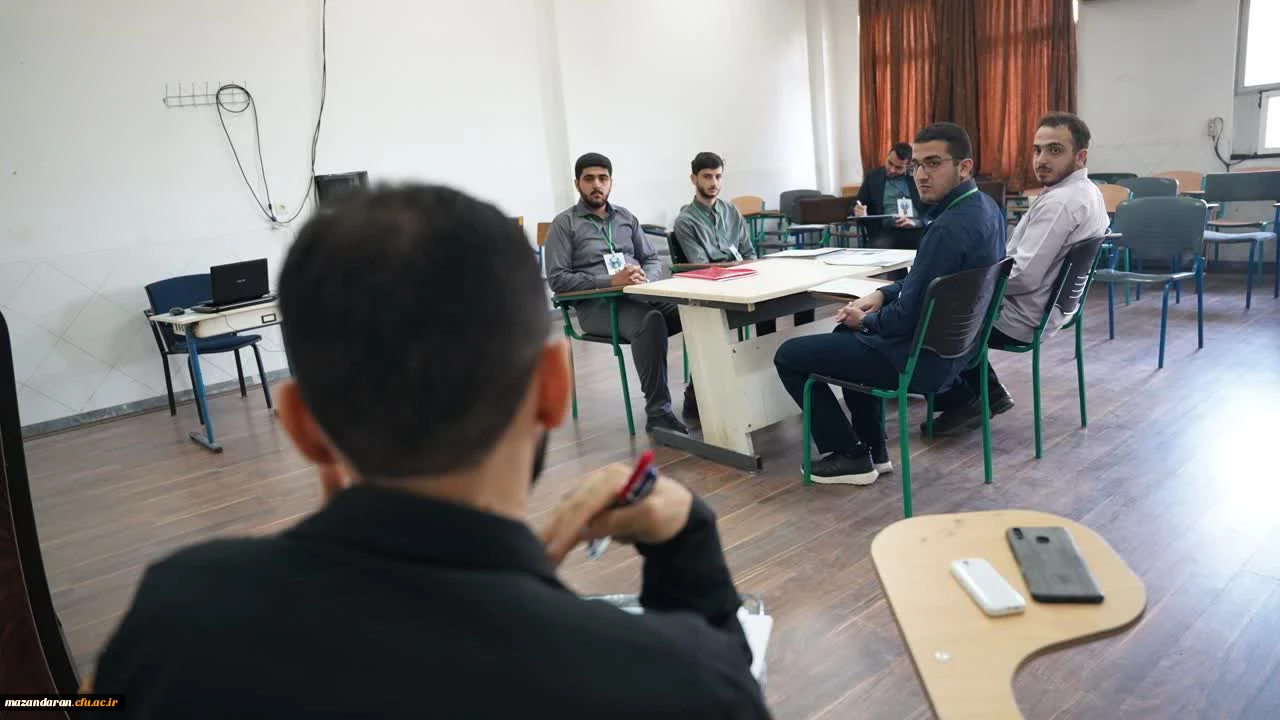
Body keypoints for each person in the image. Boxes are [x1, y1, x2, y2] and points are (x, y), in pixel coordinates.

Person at [85, 184, 771, 719]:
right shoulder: (673, 679)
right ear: (552, 388)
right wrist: (686, 538)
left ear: (298, 423)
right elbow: (727, 689)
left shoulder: (177, 613)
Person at [774, 123, 1006, 485]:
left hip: (922, 362)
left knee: (789, 355)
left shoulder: (946, 228)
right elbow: (929, 284)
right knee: (843, 336)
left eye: (933, 163)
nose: (921, 175)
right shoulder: (986, 209)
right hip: (961, 354)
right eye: (917, 165)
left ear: (964, 167)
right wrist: (882, 294)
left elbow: (904, 318)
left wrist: (865, 321)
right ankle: (873, 451)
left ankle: (849, 454)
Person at [929, 112, 1110, 436]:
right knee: (946, 299)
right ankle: (985, 391)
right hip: (1054, 309)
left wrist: (967, 283)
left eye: (1055, 150)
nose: (1041, 159)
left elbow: (1024, 276)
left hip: (1023, 317)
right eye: (1037, 150)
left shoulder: (1061, 202)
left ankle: (965, 399)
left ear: (1080, 156)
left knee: (931, 311)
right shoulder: (1089, 192)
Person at [544, 152, 695, 431]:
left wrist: (644, 278)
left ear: (611, 182)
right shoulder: (564, 224)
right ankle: (658, 413)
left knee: (698, 313)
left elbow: (651, 258)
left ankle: (696, 397)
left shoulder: (626, 218)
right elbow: (558, 279)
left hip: (639, 296)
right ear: (577, 184)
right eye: (589, 179)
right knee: (650, 321)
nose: (596, 185)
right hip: (596, 306)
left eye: (603, 178)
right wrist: (609, 281)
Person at [672, 152, 756, 264]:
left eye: (718, 176)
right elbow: (702, 265)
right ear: (693, 179)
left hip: (742, 271)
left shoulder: (731, 210)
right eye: (707, 177)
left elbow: (749, 254)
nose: (714, 183)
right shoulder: (685, 221)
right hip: (713, 274)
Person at [853, 142, 929, 249]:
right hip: (886, 231)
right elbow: (856, 204)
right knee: (878, 247)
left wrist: (915, 222)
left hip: (916, 228)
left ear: (909, 166)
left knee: (928, 245)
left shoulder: (918, 178)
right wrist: (858, 210)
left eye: (898, 168)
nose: (892, 169)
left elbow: (932, 209)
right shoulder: (873, 177)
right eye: (890, 163)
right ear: (887, 157)